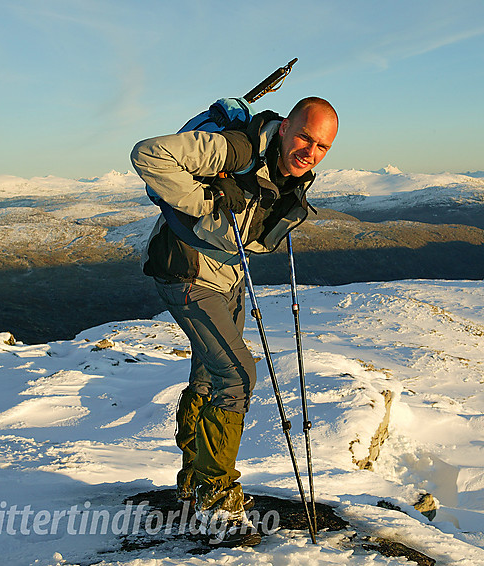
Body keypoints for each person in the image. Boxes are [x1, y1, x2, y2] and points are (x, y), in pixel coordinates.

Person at [131, 97, 337, 545]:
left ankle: (194, 485)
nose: (311, 152)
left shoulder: (287, 170)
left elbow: (253, 232)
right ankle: (214, 501)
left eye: (322, 146)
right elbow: (148, 153)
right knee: (236, 375)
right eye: (304, 137)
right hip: (186, 272)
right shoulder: (236, 150)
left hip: (228, 275)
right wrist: (205, 202)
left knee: (211, 375)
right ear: (284, 128)